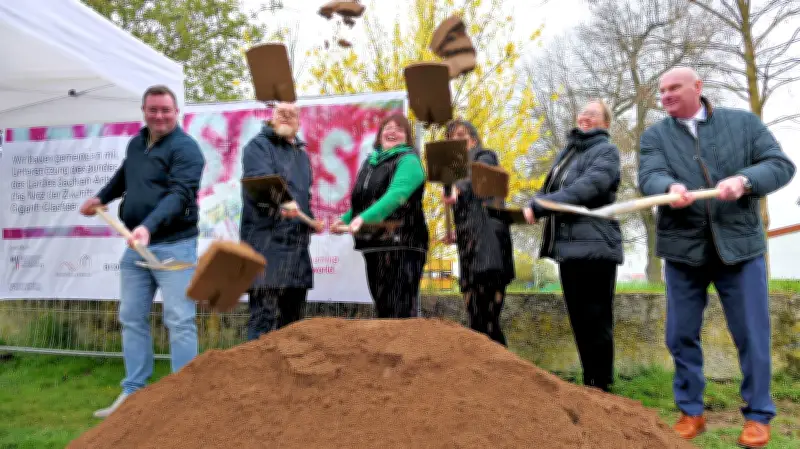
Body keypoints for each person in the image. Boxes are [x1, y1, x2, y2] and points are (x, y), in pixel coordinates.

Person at [638, 66, 795, 447]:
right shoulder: (655, 136)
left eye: (674, 87)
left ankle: (758, 415)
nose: (666, 95)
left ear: (698, 87)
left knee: (752, 334)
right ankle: (691, 411)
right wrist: (668, 187)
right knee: (679, 335)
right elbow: (650, 175)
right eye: (661, 90)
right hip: (683, 251)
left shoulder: (743, 124)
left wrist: (745, 181)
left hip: (739, 250)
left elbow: (780, 165)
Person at [79, 85, 205, 418]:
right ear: (144, 111)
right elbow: (125, 177)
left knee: (180, 319)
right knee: (131, 317)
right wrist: (101, 198)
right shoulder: (137, 143)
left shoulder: (187, 150)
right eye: (153, 109)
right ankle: (134, 392)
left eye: (166, 110)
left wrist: (148, 226)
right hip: (136, 249)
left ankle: (184, 395)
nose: (159, 116)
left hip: (174, 244)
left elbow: (179, 196)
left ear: (176, 112)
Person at [522, 99, 623, 393]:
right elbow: (549, 190)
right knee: (580, 321)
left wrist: (540, 206)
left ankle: (602, 385)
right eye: (582, 113)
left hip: (594, 246)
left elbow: (588, 187)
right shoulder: (567, 153)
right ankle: (590, 383)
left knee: (596, 320)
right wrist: (531, 204)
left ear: (605, 123)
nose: (585, 117)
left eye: (593, 114)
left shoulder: (606, 151)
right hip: (569, 249)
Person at [332, 114, 429, 318]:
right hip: (375, 243)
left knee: (399, 312)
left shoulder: (409, 160)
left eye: (399, 129)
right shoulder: (371, 162)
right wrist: (347, 219)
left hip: (402, 242)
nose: (392, 131)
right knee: (384, 310)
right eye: (388, 127)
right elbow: (366, 200)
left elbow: (396, 195)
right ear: (380, 135)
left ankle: (406, 349)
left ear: (407, 138)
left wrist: (365, 219)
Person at [240, 102, 321, 340]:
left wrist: (312, 221)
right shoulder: (258, 147)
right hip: (266, 250)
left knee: (292, 329)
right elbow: (259, 182)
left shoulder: (302, 157)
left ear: (299, 121)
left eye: (292, 114)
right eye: (281, 113)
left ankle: (287, 378)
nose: (286, 116)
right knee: (263, 324)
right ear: (271, 117)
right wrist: (280, 201)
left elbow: (302, 201)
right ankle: (256, 376)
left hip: (296, 253)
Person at [442, 119, 515, 346]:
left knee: (489, 321)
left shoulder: (486, 157)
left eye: (461, 136)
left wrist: (458, 188)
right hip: (470, 250)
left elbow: (477, 177)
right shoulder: (455, 173)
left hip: (490, 249)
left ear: (473, 140)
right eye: (450, 139)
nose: (455, 142)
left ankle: (505, 373)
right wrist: (456, 232)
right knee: (476, 321)